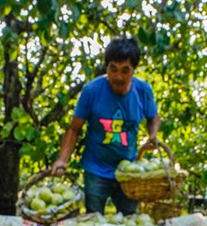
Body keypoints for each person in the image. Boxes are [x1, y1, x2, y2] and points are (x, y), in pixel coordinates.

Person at [50, 37, 160, 215]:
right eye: (113, 69)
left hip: (129, 171)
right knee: (94, 222)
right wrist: (62, 160)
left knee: (130, 221)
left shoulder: (143, 91)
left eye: (125, 70)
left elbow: (153, 117)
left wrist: (153, 135)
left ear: (133, 70)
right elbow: (74, 128)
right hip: (96, 169)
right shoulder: (91, 91)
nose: (118, 76)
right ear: (106, 67)